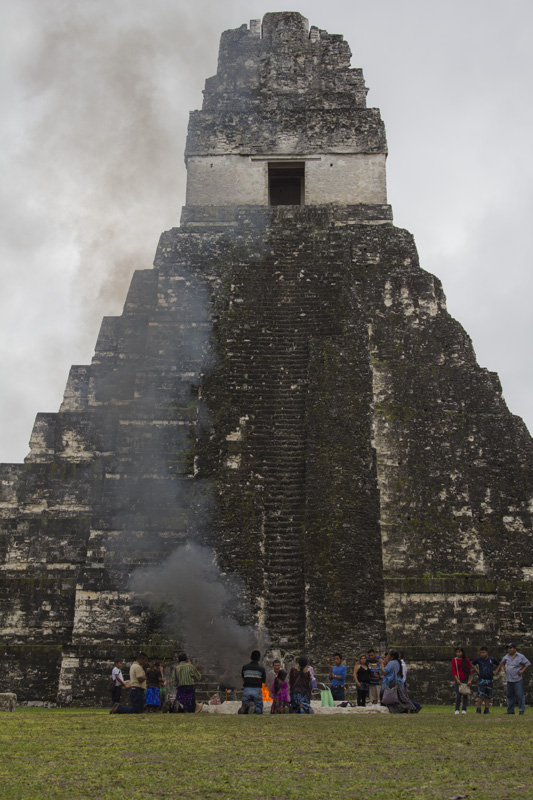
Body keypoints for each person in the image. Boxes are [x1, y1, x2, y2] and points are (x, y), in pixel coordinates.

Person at [495, 642, 531, 715]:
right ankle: (510, 710)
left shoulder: (520, 656)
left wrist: (522, 671)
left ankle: (521, 710)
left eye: (511, 648)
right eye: (508, 648)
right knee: (510, 695)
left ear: (514, 649)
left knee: (520, 695)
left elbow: (528, 663)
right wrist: (504, 668)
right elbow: (502, 662)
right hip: (509, 679)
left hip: (517, 679)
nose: (509, 650)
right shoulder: (506, 656)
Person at [472, 647, 500, 714]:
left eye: (483, 652)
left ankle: (486, 709)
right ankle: (478, 708)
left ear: (487, 653)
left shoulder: (491, 659)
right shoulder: (479, 659)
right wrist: (477, 671)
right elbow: (471, 664)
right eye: (481, 653)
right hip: (482, 679)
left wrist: (496, 671)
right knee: (481, 694)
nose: (482, 654)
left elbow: (499, 664)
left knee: (488, 695)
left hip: (489, 679)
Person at [238, 650, 266, 715]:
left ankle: (245, 708)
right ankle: (255, 709)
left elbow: (243, 677)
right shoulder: (261, 669)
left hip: (247, 689)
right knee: (259, 707)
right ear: (259, 658)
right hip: (257, 690)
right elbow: (263, 680)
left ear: (250, 657)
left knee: (246, 703)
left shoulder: (245, 667)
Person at [452, 647, 472, 714]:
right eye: (457, 652)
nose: (458, 653)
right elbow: (454, 671)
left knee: (465, 694)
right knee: (458, 695)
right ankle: (457, 709)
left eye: (459, 652)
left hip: (465, 678)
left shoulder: (466, 660)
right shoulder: (454, 660)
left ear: (462, 653)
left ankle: (464, 709)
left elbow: (469, 671)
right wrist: (457, 679)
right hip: (458, 679)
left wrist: (469, 680)